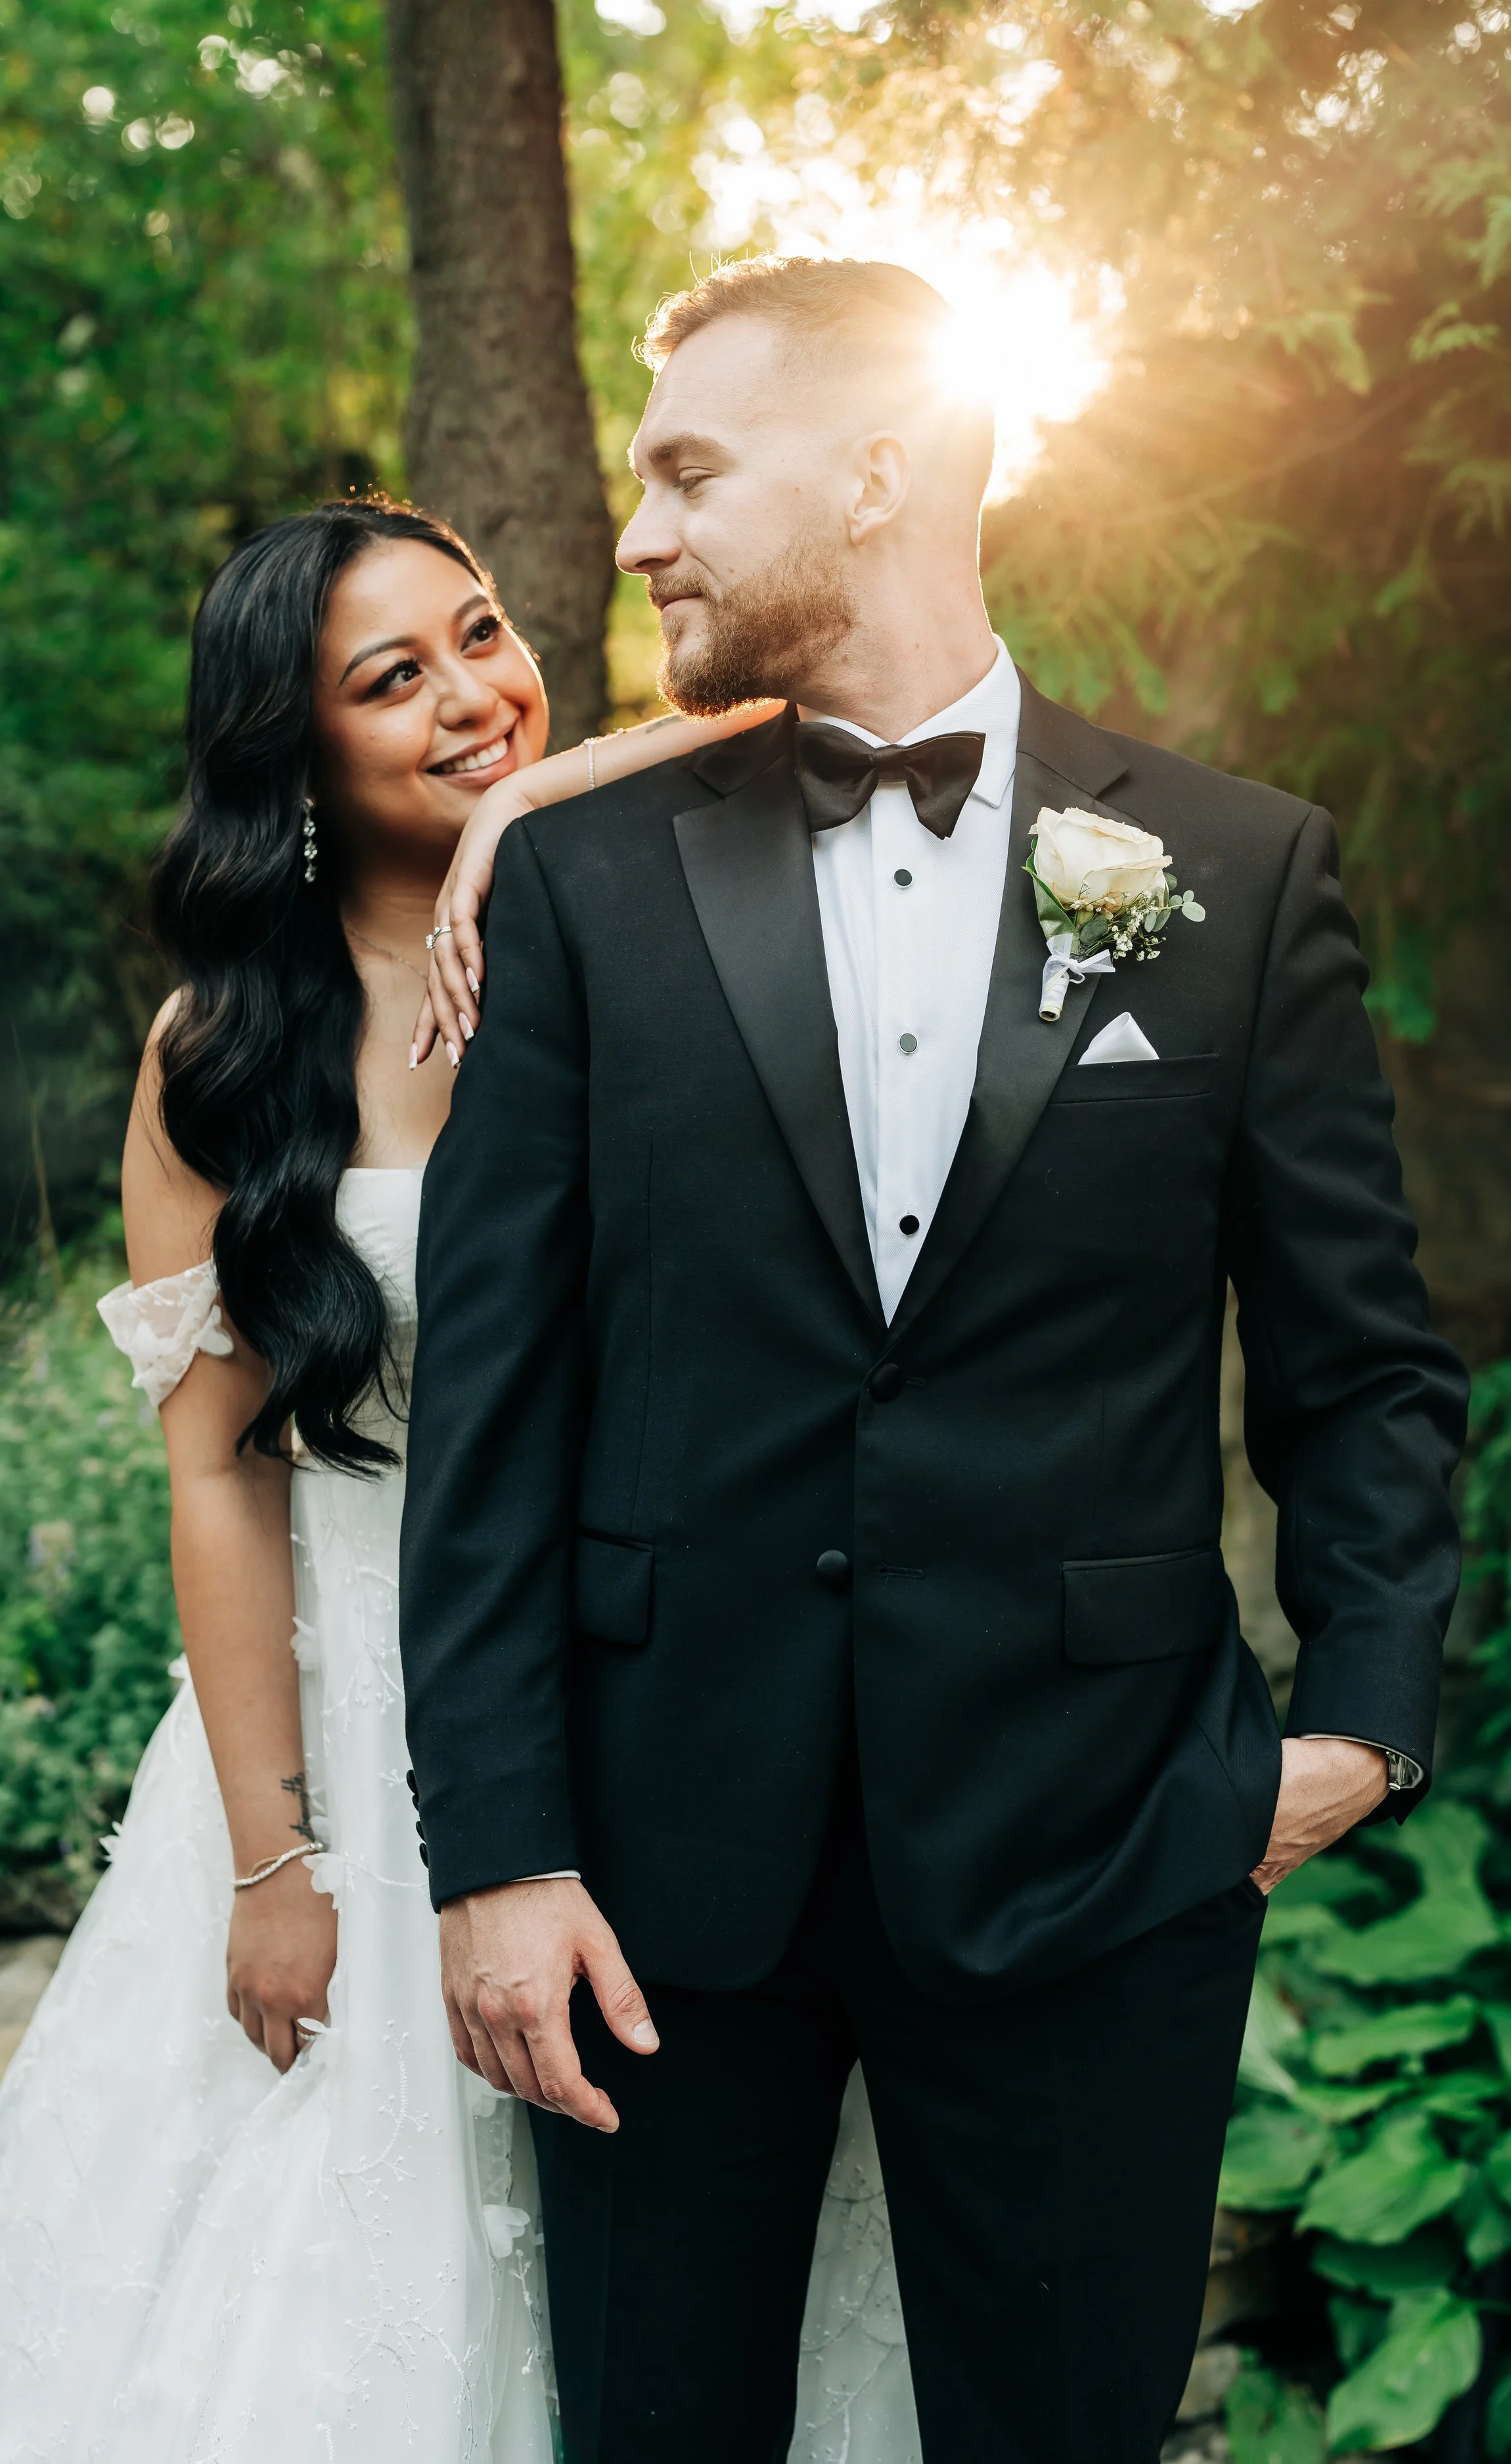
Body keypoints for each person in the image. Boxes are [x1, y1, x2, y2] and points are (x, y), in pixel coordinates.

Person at [399, 258, 1470, 2464]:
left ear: (878, 466)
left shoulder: (1229, 872)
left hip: (1099, 1854)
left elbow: (1363, 1362)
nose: (637, 539)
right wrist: (493, 1849)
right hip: (648, 1890)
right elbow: (489, 1417)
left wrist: (1358, 1723)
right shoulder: (583, 889)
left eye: (690, 469)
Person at [0, 497, 838, 2463]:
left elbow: (812, 700)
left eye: (480, 632)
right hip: (355, 1740)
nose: (474, 692)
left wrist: (515, 824)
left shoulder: (646, 929)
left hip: (658, 1713)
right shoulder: (222, 1051)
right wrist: (272, 1859)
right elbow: (221, 1480)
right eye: (391, 680)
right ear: (291, 757)